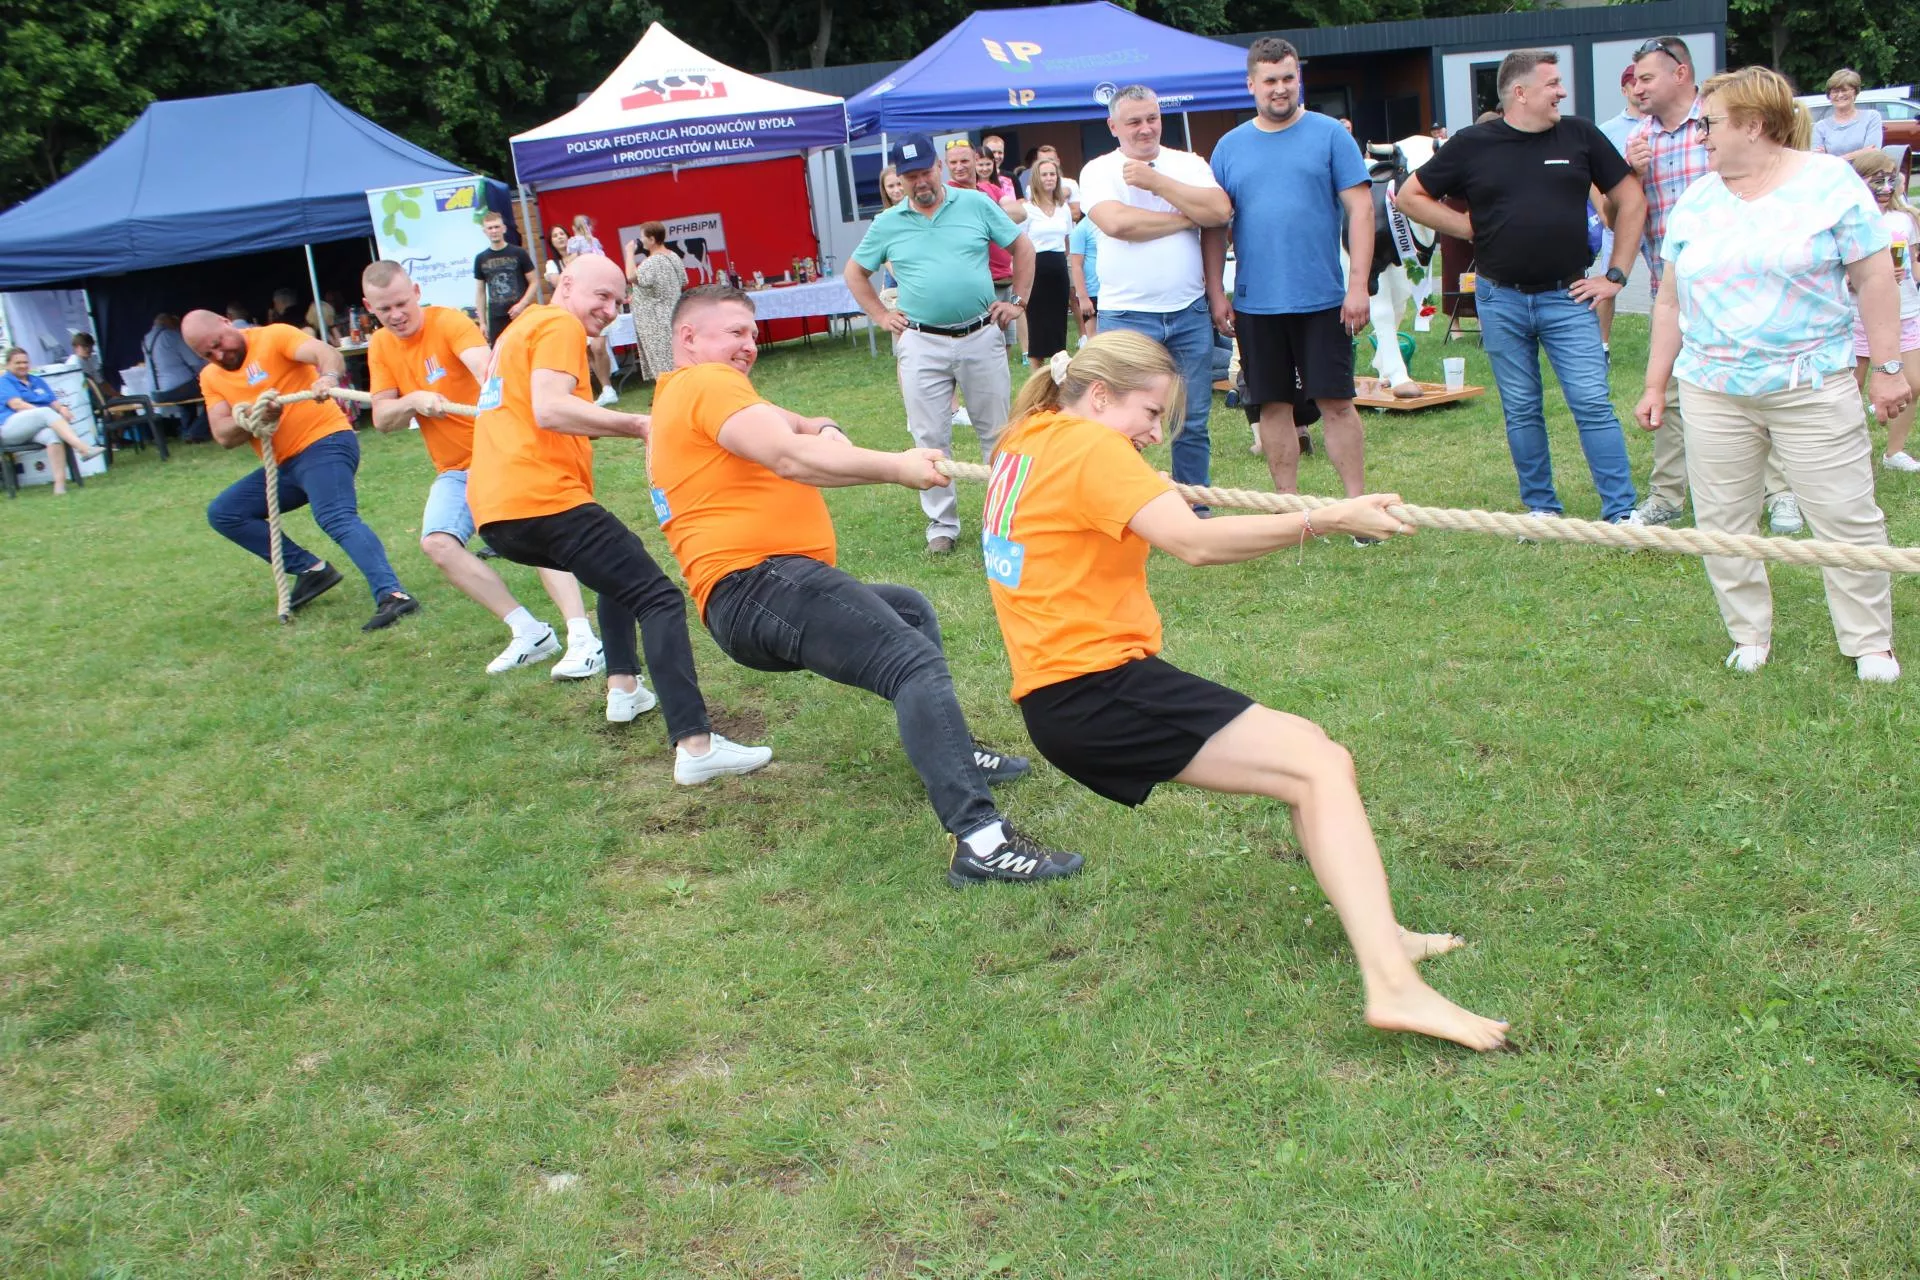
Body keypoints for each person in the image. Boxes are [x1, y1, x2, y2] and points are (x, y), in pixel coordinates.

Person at [983, 331, 1509, 1051]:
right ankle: (1393, 987)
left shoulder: (1029, 436)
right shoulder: (1090, 450)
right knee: (1315, 768)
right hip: (1092, 689)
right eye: (1149, 413)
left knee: (1319, 756)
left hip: (1070, 688)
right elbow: (1195, 543)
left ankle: (1383, 935)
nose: (1154, 433)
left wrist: (1139, 479)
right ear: (1099, 395)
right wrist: (1327, 517)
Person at [646, 283, 1081, 884]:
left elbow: (793, 427)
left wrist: (821, 424)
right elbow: (789, 456)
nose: (749, 345)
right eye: (735, 333)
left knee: (908, 612)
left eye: (753, 334)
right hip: (760, 583)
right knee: (912, 664)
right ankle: (981, 842)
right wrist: (897, 466)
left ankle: (955, 752)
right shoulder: (705, 383)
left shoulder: (686, 395)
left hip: (748, 600)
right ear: (688, 337)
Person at [1634, 67, 1903, 683]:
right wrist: (1654, 384)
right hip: (1712, 388)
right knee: (1723, 520)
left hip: (1812, 384)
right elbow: (1670, 301)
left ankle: (1869, 644)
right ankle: (1748, 635)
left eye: (1710, 123)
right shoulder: (1698, 198)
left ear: (1753, 125)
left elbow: (1874, 279)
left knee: (1845, 515)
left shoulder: (1830, 182)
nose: (1701, 135)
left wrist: (1888, 368)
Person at [468, 254, 774, 776]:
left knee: (618, 570)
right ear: (565, 284)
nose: (610, 310)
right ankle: (696, 747)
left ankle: (624, 687)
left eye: (618, 301)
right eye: (602, 296)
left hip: (498, 511)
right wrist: (640, 424)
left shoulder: (521, 329)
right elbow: (549, 408)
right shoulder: (559, 324)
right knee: (658, 598)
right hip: (541, 497)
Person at [1397, 51, 1648, 525]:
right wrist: (1466, 228)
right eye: (1552, 84)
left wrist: (1615, 275)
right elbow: (1409, 195)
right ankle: (1541, 508)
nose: (1562, 92)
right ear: (1520, 92)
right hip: (1500, 298)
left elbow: (1630, 199)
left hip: (1569, 296)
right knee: (1521, 408)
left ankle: (1621, 511)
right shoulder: (1473, 143)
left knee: (1592, 403)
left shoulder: (1580, 135)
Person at [361, 260, 605, 676]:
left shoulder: (449, 323)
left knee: (538, 527)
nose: (396, 315)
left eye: (402, 303)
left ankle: (583, 637)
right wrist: (413, 400)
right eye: (385, 310)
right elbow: (383, 418)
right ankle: (529, 631)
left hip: (500, 453)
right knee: (437, 544)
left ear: (416, 292)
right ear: (370, 308)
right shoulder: (381, 346)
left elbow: (488, 370)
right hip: (455, 469)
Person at [1625, 36, 1797, 533]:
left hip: (1746, 293)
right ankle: (1666, 495)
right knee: (1671, 395)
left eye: (1647, 77)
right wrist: (1631, 173)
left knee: (1762, 389)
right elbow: (1618, 213)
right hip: (1672, 291)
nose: (1638, 88)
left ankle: (1779, 493)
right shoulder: (1638, 138)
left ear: (1680, 73)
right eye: (1635, 80)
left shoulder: (1731, 121)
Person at [1205, 38, 1375, 509]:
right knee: (1272, 404)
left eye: (1287, 78)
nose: (1279, 89)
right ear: (1251, 85)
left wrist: (1358, 286)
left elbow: (1361, 210)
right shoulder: (1229, 147)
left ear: (1298, 78)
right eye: (1269, 81)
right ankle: (1288, 508)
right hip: (1256, 303)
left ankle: (1356, 507)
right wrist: (1216, 292)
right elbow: (1215, 225)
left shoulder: (1330, 135)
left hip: (1323, 299)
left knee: (1336, 402)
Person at [844, 132, 1034, 554]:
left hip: (980, 333)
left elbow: (1022, 247)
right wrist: (880, 315)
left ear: (939, 167)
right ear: (899, 179)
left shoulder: (975, 203)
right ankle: (941, 526)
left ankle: (1003, 519)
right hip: (921, 341)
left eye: (925, 172)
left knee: (998, 433)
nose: (920, 182)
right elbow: (855, 272)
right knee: (929, 437)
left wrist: (1018, 301)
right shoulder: (887, 222)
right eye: (910, 176)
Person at [183, 311, 419, 630]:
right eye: (208, 354)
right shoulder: (211, 377)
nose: (219, 355)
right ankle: (311, 570)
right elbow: (223, 434)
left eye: (218, 343)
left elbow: (327, 354)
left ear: (226, 323)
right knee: (225, 512)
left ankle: (393, 594)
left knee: (334, 516)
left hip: (325, 443)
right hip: (286, 466)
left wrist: (328, 378)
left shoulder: (273, 336)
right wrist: (254, 416)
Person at [1080, 85, 1232, 497]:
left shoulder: (1187, 163)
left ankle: (1194, 504)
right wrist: (1187, 218)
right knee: (1119, 422)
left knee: (1192, 420)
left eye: (1152, 118)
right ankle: (1124, 503)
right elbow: (1118, 224)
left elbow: (1219, 211)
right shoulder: (1098, 170)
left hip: (1189, 312)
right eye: (1134, 121)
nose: (1145, 128)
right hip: (1125, 316)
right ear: (1113, 126)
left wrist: (1156, 182)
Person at [1850, 151, 1920, 472]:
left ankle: (1894, 453)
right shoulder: (1852, 221)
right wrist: (1860, 280)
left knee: (1914, 383)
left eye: (1891, 179)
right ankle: (1848, 453)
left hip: (1906, 311)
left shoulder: (1904, 219)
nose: (1886, 187)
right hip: (1859, 316)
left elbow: (1914, 263)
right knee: (1851, 388)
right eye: (1877, 179)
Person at [945, 138, 1026, 356]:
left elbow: (1020, 213)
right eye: (953, 163)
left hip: (1005, 278)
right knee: (982, 346)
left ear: (975, 159)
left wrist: (984, 214)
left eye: (964, 161)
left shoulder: (989, 188)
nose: (959, 167)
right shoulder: (948, 194)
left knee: (1005, 345)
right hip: (980, 283)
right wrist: (994, 216)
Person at [2, 347, 103, 491]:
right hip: (9, 428)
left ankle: (59, 486)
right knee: (45, 412)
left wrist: (62, 409)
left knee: (52, 436)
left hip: (35, 427)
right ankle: (82, 448)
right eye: (18, 363)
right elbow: (16, 405)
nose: (23, 366)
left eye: (25, 362)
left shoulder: (37, 380)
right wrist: (44, 414)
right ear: (8, 365)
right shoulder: (4, 381)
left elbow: (53, 402)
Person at [1594, 64, 1644, 353]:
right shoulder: (1608, 130)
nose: (1640, 89)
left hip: (1656, 215)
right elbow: (1591, 177)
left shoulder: (1660, 125)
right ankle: (1602, 346)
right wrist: (1603, 210)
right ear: (1624, 90)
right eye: (1634, 83)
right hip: (1620, 218)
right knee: (1608, 281)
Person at [1020, 157, 1076, 366]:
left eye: (1053, 174)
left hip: (1058, 268)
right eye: (1044, 174)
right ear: (1037, 178)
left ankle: (1058, 371)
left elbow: (1067, 240)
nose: (1049, 178)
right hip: (1036, 269)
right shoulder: (1028, 209)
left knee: (1057, 323)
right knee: (1037, 323)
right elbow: (1021, 242)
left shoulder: (1063, 208)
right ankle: (1037, 374)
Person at [623, 220, 684, 381]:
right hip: (673, 315)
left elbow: (631, 276)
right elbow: (683, 281)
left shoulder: (652, 262)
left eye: (642, 237)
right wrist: (642, 294)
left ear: (651, 239)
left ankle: (670, 392)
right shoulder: (673, 256)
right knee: (676, 362)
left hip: (655, 321)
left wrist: (629, 252)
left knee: (663, 366)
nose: (640, 241)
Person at [142, 312, 209, 441]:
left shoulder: (146, 339)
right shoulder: (171, 336)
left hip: (156, 392)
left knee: (186, 397)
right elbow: (193, 362)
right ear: (169, 323)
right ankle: (196, 431)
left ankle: (187, 430)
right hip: (177, 388)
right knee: (214, 391)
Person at [474, 211, 538, 343]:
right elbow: (480, 292)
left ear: (504, 229)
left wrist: (522, 304)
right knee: (500, 353)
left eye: (497, 227)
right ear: (485, 232)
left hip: (521, 314)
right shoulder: (480, 258)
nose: (494, 231)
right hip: (496, 317)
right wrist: (483, 322)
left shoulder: (519, 253)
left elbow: (534, 282)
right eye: (490, 228)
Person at [1813, 69, 1884, 160]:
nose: (1840, 95)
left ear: (1855, 92)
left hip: (1864, 169)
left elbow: (1872, 153)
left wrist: (1833, 160)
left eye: (1844, 90)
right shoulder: (1820, 127)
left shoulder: (1871, 117)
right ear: (1829, 95)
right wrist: (1860, 153)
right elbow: (1817, 160)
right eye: (1835, 91)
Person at [1068, 214, 1101, 341]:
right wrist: (1083, 298)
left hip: (1110, 290)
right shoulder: (1081, 229)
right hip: (1092, 291)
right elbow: (1076, 266)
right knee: (1094, 340)